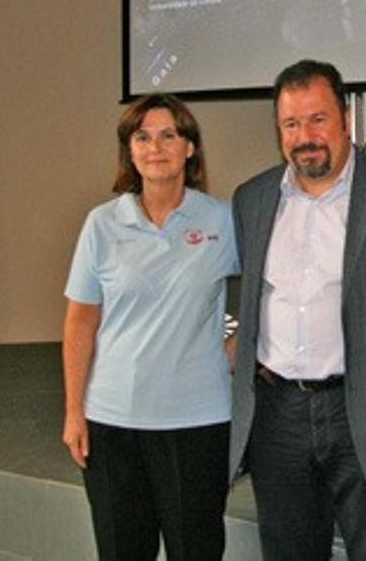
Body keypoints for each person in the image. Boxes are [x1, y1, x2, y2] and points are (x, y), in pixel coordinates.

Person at [228, 59, 366, 560]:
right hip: (276, 412)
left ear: (346, 117)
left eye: (318, 119)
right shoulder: (252, 199)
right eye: (291, 123)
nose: (305, 135)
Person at [62, 94, 238, 561]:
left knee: (196, 551)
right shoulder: (101, 224)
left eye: (168, 135)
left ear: (190, 148)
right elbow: (80, 321)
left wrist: (239, 344)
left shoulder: (222, 219)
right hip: (112, 422)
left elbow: (271, 289)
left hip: (197, 422)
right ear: (129, 150)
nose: (154, 147)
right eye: (142, 137)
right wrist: (74, 411)